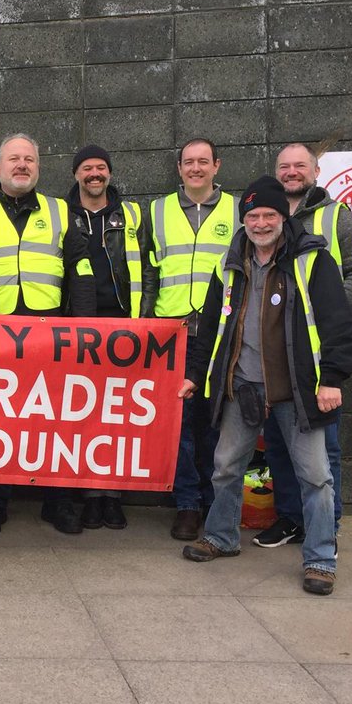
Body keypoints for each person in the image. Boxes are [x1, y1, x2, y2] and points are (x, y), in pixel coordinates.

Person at [179, 176, 352, 595]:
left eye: (269, 215)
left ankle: (320, 560)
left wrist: (332, 379)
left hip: (298, 390)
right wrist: (194, 374)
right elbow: (210, 328)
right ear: (244, 220)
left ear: (283, 216)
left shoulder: (313, 260)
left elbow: (339, 325)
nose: (261, 223)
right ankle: (221, 537)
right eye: (253, 216)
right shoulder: (229, 264)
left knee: (315, 477)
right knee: (225, 468)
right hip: (241, 386)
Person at [0, 134, 96, 537]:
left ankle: (57, 503)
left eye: (29, 159)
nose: (22, 165)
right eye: (14, 159)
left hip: (50, 333)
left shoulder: (61, 211)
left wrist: (82, 327)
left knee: (53, 420)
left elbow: (80, 269)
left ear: (38, 168)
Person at [255, 142, 352, 549]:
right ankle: (291, 518)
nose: (292, 172)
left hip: (319, 351)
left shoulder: (335, 216)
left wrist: (329, 309)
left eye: (300, 166)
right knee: (276, 442)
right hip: (273, 352)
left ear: (316, 172)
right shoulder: (261, 216)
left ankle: (327, 525)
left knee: (325, 446)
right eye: (285, 166)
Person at [145, 137, 237, 541]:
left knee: (217, 426)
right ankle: (187, 505)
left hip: (221, 334)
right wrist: (145, 322)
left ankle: (215, 501)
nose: (195, 168)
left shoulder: (238, 210)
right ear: (179, 168)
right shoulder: (157, 210)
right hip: (173, 333)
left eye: (203, 162)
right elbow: (147, 271)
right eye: (188, 162)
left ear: (216, 166)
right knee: (179, 427)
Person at [65, 144, 157, 530]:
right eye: (87, 168)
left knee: (118, 416)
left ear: (110, 174)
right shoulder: (61, 214)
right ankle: (89, 496)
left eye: (101, 167)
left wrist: (146, 318)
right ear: (76, 175)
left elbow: (151, 268)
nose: (94, 174)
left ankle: (112, 496)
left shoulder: (133, 214)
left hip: (124, 325)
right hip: (78, 326)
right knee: (81, 414)